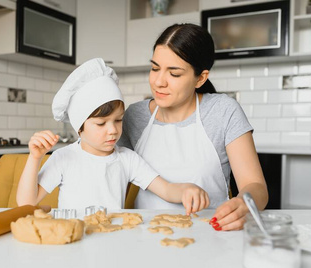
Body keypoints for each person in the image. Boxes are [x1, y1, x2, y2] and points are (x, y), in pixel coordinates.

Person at [118, 24, 268, 231]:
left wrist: (243, 204)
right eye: (154, 68)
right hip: (147, 235)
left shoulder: (223, 111)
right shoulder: (134, 116)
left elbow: (256, 186)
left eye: (174, 74)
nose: (159, 81)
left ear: (200, 78)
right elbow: (113, 179)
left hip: (213, 233)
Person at [16, 58, 209, 214]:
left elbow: (166, 189)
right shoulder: (63, 158)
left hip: (114, 240)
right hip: (73, 242)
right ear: (79, 127)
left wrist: (186, 190)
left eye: (118, 120)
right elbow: (26, 202)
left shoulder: (127, 159)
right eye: (101, 123)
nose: (113, 130)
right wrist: (35, 158)